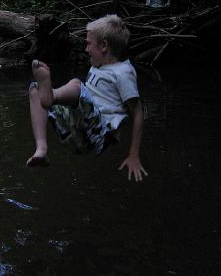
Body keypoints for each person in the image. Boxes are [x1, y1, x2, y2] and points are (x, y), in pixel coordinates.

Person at [25, 14, 148, 182]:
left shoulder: (123, 73)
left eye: (89, 44)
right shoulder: (100, 68)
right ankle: (41, 148)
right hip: (77, 133)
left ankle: (51, 97)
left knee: (76, 84)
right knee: (35, 91)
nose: (86, 49)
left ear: (104, 46)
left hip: (99, 135)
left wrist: (134, 155)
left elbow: (138, 113)